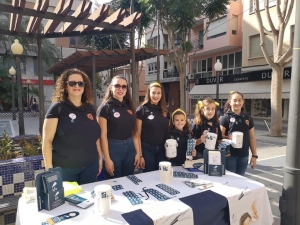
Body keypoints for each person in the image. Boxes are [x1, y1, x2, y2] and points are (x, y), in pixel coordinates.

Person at [42, 68, 102, 185]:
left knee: (89, 201)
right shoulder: (57, 108)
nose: (77, 86)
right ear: (65, 86)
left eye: (80, 83)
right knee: (67, 202)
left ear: (85, 87)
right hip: (65, 170)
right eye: (72, 83)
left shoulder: (90, 108)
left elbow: (95, 137)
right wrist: (49, 169)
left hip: (90, 166)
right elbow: (47, 140)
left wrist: (100, 158)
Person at [97, 75, 140, 180]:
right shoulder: (105, 108)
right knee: (115, 182)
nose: (121, 89)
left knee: (129, 180)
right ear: (111, 87)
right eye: (117, 86)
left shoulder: (129, 106)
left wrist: (138, 153)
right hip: (113, 149)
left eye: (124, 86)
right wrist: (106, 158)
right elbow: (102, 135)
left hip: (130, 148)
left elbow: (134, 132)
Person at [220, 91, 258, 176]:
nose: (237, 103)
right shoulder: (225, 118)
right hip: (229, 156)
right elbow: (219, 137)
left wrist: (254, 156)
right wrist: (228, 137)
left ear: (243, 101)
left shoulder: (248, 118)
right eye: (235, 100)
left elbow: (251, 137)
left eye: (239, 100)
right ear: (229, 102)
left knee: (241, 179)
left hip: (244, 156)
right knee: (231, 181)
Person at [135, 82, 169, 172]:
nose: (156, 95)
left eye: (158, 93)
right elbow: (137, 135)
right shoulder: (141, 110)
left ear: (162, 95)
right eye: (153, 92)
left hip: (162, 149)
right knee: (149, 177)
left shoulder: (165, 111)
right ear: (149, 93)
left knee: (162, 175)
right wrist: (140, 155)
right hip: (147, 149)